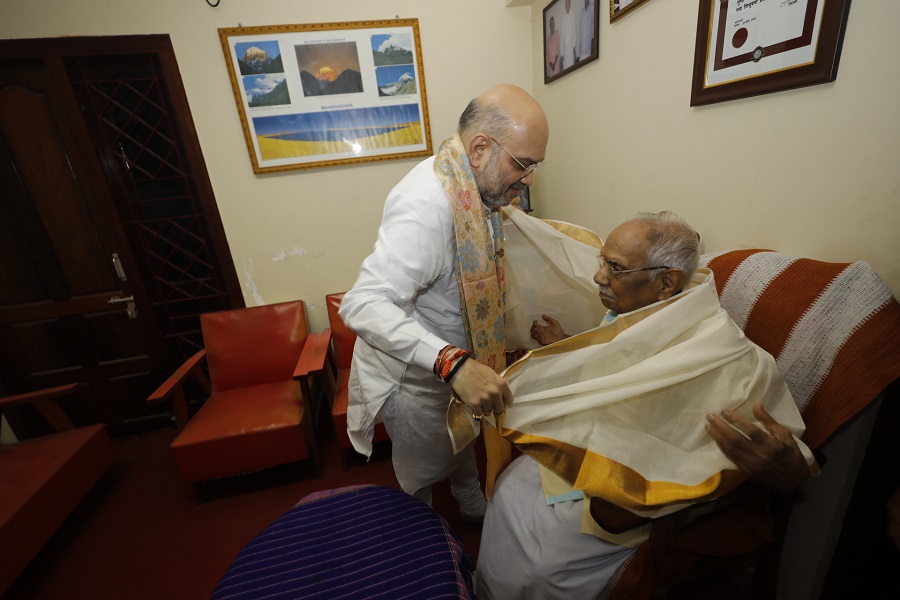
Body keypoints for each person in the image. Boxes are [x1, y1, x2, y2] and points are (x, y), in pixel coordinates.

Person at [475, 211, 816, 599]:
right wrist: (564, 344)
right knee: (507, 492)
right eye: (602, 262)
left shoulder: (731, 357)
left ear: (667, 281)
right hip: (589, 447)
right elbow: (615, 376)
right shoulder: (636, 315)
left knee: (542, 565)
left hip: (632, 490)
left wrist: (785, 467)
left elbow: (788, 463)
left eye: (615, 267)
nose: (599, 277)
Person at [338, 84, 549, 521]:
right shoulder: (427, 204)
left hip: (461, 367)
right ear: (479, 148)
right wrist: (454, 364)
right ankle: (424, 535)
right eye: (524, 165)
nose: (529, 179)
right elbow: (363, 303)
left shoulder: (477, 188)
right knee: (420, 472)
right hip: (416, 380)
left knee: (463, 444)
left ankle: (469, 498)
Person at [559, 0, 578, 71]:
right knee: (565, 69)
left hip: (570, 48)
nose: (567, 5)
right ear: (565, 5)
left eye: (568, 3)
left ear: (570, 5)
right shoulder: (563, 18)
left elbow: (574, 32)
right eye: (566, 4)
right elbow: (561, 38)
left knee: (572, 69)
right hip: (565, 50)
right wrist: (562, 54)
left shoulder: (572, 14)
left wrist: (573, 48)